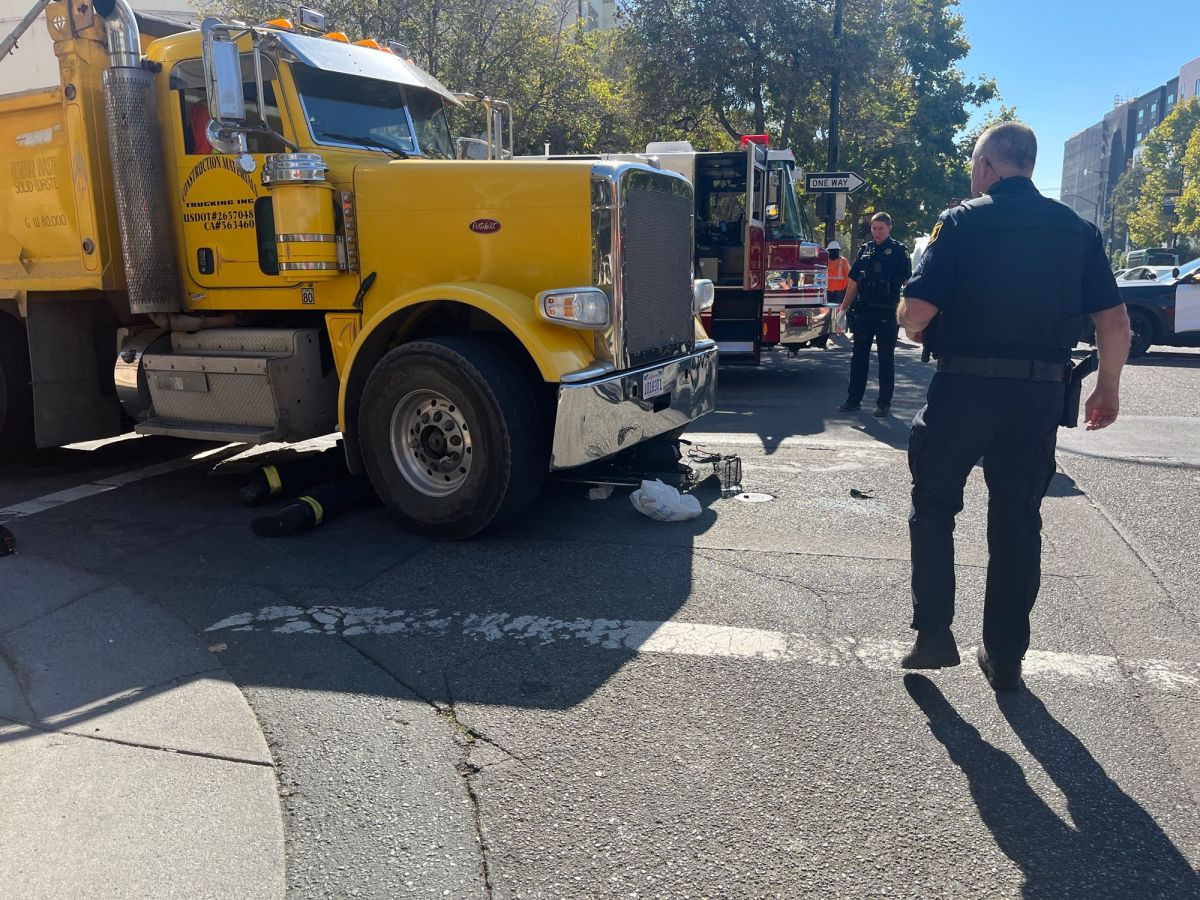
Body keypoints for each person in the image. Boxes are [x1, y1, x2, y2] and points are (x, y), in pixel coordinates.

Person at [896, 121, 1129, 691]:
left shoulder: (961, 221)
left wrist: (912, 313)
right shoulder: (1078, 230)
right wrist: (1109, 387)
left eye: (974, 165)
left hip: (963, 390)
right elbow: (1114, 322)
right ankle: (1004, 657)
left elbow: (915, 317)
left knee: (933, 506)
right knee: (1017, 519)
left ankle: (933, 635)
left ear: (988, 165)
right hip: (1036, 395)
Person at [837, 212, 912, 417]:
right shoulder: (865, 250)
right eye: (874, 228)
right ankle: (853, 400)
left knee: (886, 358)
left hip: (888, 313)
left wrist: (909, 313)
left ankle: (883, 403)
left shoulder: (899, 251)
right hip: (864, 311)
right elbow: (853, 283)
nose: (877, 232)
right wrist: (843, 309)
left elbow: (908, 285)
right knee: (858, 358)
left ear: (889, 228)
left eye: (881, 228)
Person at [826, 240, 850, 306]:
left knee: (838, 308)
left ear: (837, 251)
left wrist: (848, 288)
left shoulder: (843, 261)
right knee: (827, 309)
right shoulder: (826, 261)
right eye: (831, 251)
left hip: (840, 291)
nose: (832, 252)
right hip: (828, 290)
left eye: (834, 251)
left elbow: (848, 275)